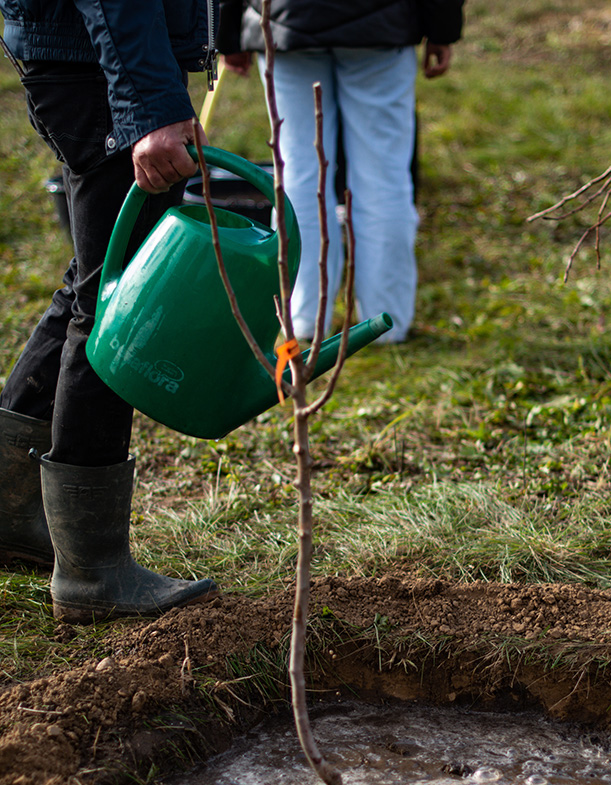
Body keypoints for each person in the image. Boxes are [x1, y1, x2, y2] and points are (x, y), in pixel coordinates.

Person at [0, 1, 220, 623]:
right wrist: (149, 109)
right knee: (115, 304)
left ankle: (12, 509)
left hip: (83, 60)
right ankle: (93, 572)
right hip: (103, 72)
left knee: (94, 283)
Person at [216, 0, 465, 344]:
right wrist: (442, 27)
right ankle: (385, 321)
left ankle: (302, 317)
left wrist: (229, 33)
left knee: (299, 171)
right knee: (384, 175)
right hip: (381, 23)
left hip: (287, 21)